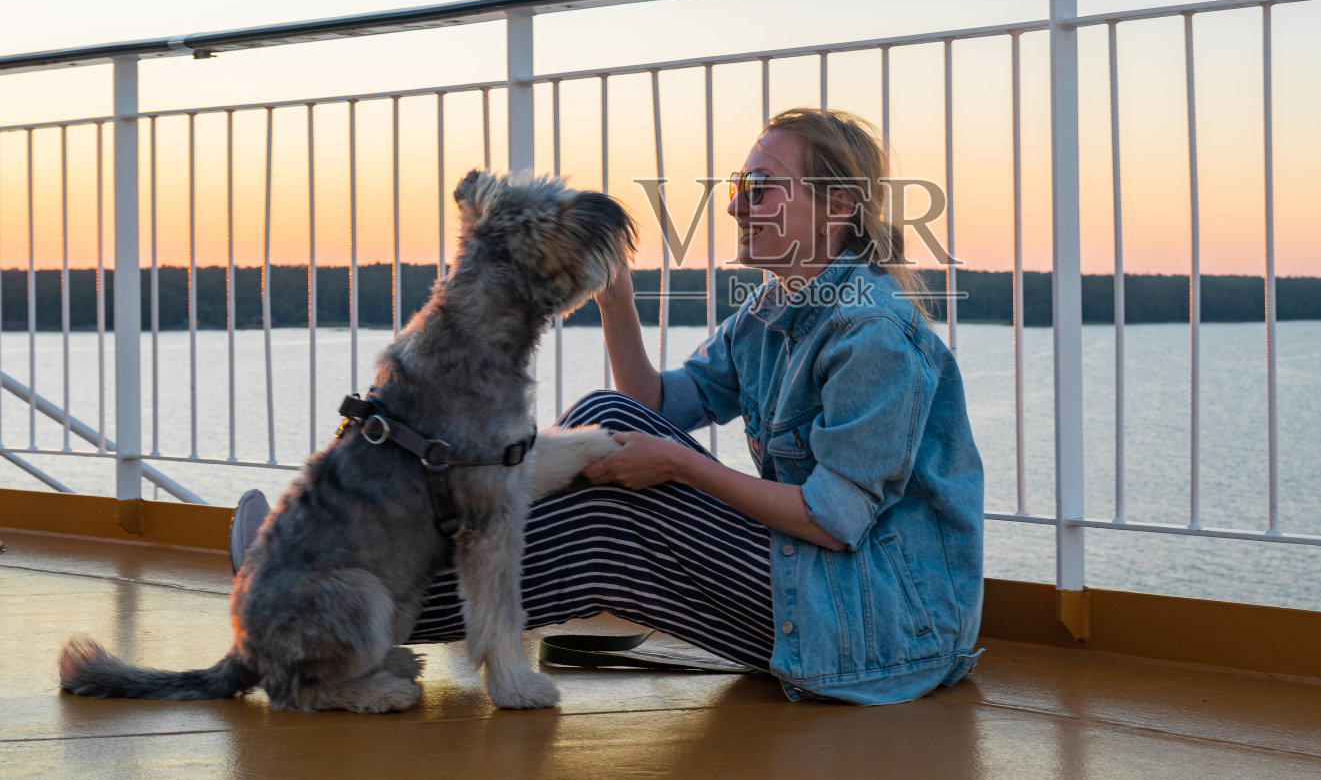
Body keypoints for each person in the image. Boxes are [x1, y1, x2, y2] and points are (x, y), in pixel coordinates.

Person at [236, 108, 985, 705]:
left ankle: (306, 606)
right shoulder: (772, 308)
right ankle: (319, 582)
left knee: (609, 525)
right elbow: (654, 403)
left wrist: (682, 465)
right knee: (606, 418)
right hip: (824, 587)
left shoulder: (873, 333)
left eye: (762, 187)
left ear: (838, 209)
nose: (736, 204)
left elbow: (835, 517)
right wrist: (616, 297)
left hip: (883, 625)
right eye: (736, 185)